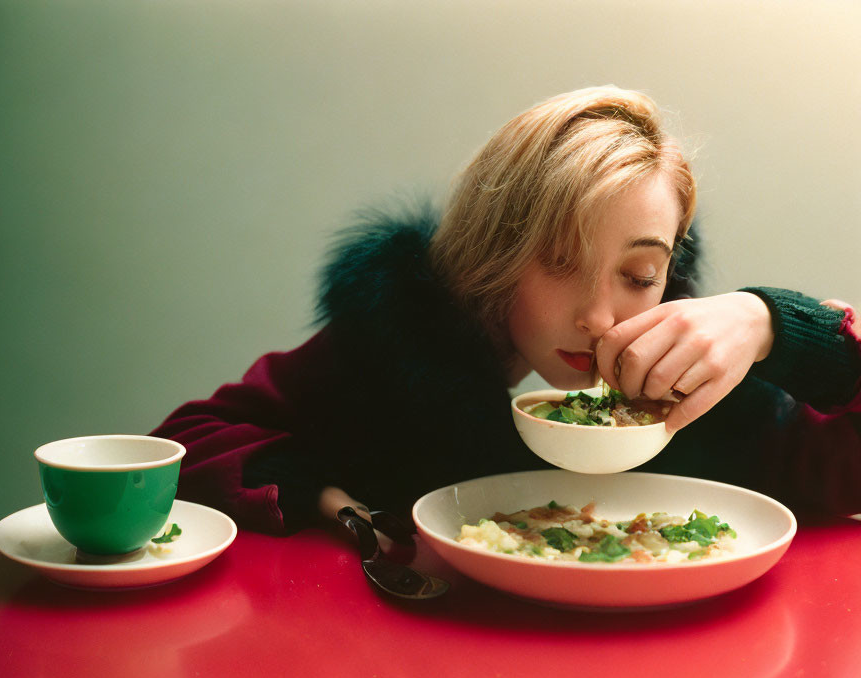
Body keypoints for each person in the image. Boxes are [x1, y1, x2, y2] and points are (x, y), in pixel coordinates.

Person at [150, 86, 861, 535]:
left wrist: (770, 323)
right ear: (496, 252)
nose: (600, 317)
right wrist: (331, 500)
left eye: (639, 274)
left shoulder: (699, 371)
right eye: (559, 263)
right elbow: (185, 443)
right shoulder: (402, 344)